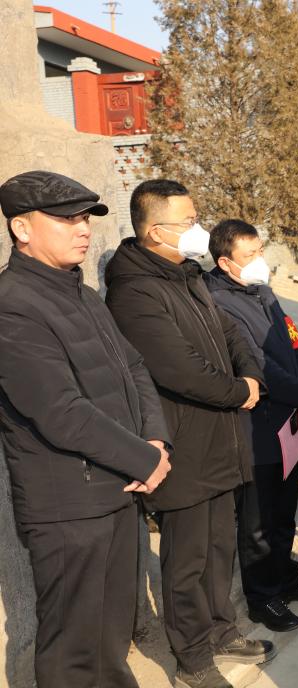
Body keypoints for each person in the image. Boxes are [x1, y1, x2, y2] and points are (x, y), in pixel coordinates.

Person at [0, 171, 172, 688]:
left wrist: (155, 439)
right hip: (69, 508)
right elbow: (60, 411)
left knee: (108, 638)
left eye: (85, 219)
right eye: (66, 219)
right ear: (22, 228)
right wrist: (144, 459)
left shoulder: (85, 295)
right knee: (75, 650)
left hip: (117, 491)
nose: (82, 230)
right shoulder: (12, 304)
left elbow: (134, 367)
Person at [104, 180, 273, 688]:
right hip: (185, 446)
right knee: (187, 560)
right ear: (156, 231)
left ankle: (221, 630)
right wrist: (238, 392)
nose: (198, 229)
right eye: (188, 221)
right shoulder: (133, 291)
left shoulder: (188, 274)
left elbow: (229, 332)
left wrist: (251, 376)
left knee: (219, 549)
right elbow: (178, 370)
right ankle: (192, 658)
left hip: (222, 439)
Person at [204, 220, 298, 634]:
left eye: (260, 251)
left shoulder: (263, 291)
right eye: (250, 255)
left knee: (284, 511)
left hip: (287, 422)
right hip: (254, 429)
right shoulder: (218, 302)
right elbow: (259, 365)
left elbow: (296, 344)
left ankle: (286, 577)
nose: (260, 260)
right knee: (257, 521)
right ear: (225, 262)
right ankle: (262, 598)